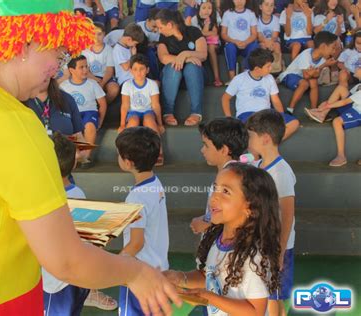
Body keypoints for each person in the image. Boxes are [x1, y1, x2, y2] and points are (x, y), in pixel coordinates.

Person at [0, 1, 181, 315]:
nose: (58, 67)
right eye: (58, 53)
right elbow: (66, 261)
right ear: (27, 41)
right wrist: (135, 272)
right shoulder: (10, 120)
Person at [164, 163, 282, 316]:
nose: (214, 196)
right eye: (215, 188)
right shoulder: (216, 240)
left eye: (225, 191)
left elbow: (255, 311)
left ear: (250, 208)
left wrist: (209, 297)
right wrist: (181, 277)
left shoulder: (253, 256)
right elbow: (209, 276)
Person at [43, 132, 117, 314]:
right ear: (74, 163)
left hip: (55, 282)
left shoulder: (46, 199)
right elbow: (92, 239)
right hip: (78, 278)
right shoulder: (79, 194)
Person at [115, 126, 170, 315]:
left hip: (139, 275)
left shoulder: (136, 197)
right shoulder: (155, 182)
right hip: (158, 269)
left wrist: (116, 262)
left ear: (128, 163)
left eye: (118, 155)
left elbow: (137, 242)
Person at [246, 110, 296, 316]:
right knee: (263, 294)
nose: (248, 140)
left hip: (276, 246)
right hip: (260, 243)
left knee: (274, 298)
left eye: (251, 136)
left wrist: (280, 252)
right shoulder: (257, 165)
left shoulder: (281, 172)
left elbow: (287, 215)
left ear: (265, 138)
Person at [222, 48, 300, 140]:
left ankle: (271, 144)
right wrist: (229, 119)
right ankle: (263, 148)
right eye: (268, 66)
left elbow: (275, 100)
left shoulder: (270, 78)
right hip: (247, 115)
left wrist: (280, 118)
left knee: (294, 123)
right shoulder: (239, 79)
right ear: (257, 69)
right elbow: (225, 98)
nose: (271, 69)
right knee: (256, 132)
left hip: (267, 114)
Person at [190, 118, 249, 237]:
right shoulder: (234, 172)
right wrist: (204, 218)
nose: (202, 150)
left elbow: (232, 214)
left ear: (223, 150)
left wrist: (205, 223)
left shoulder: (233, 179)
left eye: (206, 145)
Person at [156, 9, 207, 126]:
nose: (159, 30)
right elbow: (163, 57)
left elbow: (203, 54)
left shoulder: (193, 31)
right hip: (172, 77)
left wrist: (185, 54)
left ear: (169, 25)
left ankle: (196, 112)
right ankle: (168, 112)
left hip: (195, 76)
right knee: (173, 67)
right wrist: (186, 57)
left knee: (192, 67)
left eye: (160, 27)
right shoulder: (163, 37)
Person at [304, 68, 361, 167]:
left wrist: (327, 106)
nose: (356, 68)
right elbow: (346, 98)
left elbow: (344, 102)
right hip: (354, 107)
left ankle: (341, 156)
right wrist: (326, 104)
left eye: (359, 67)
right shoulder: (358, 86)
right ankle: (322, 114)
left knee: (337, 121)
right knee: (341, 88)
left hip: (358, 113)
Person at [60, 55, 107, 167]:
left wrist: (100, 120)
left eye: (86, 66)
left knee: (90, 126)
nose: (85, 70)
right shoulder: (63, 86)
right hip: (72, 114)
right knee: (73, 127)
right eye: (81, 67)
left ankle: (86, 157)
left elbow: (103, 103)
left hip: (89, 112)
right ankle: (78, 156)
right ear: (71, 70)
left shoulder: (92, 84)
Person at [119, 54, 165, 164]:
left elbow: (155, 105)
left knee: (149, 120)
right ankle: (126, 153)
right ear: (131, 71)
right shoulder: (127, 85)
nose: (138, 72)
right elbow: (125, 105)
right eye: (135, 69)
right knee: (133, 121)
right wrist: (121, 124)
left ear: (147, 70)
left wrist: (159, 123)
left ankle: (159, 152)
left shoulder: (152, 84)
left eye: (141, 69)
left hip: (148, 111)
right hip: (133, 112)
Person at [278, 31, 338, 113]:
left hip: (303, 78)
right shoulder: (307, 54)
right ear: (323, 46)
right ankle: (290, 109)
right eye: (333, 48)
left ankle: (313, 110)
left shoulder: (323, 59)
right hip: (289, 76)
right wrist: (323, 66)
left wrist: (319, 68)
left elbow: (316, 75)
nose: (334, 51)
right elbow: (306, 75)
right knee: (305, 83)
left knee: (313, 81)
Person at [221, 0, 259, 82]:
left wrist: (245, 42)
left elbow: (254, 34)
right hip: (233, 44)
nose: (239, 1)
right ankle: (232, 78)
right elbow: (223, 34)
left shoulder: (251, 13)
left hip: (247, 44)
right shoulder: (227, 14)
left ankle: (246, 75)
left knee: (254, 45)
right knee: (229, 47)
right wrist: (235, 41)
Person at [82, 22, 120, 105]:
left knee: (114, 89)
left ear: (104, 34)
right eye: (93, 34)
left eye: (99, 34)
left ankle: (103, 106)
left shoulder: (108, 49)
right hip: (91, 76)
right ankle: (93, 106)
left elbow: (110, 70)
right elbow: (85, 70)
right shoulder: (85, 50)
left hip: (106, 76)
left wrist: (102, 83)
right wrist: (96, 80)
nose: (96, 37)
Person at [192, 1, 223, 87]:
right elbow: (197, 34)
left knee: (211, 47)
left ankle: (217, 77)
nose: (207, 11)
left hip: (214, 43)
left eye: (209, 8)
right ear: (199, 8)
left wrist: (204, 30)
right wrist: (206, 26)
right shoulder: (194, 19)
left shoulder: (214, 16)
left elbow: (215, 33)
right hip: (200, 44)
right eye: (204, 8)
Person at [258, 0, 283, 73]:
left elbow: (275, 36)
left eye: (271, 5)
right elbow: (260, 36)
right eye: (266, 5)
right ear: (260, 7)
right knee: (262, 46)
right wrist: (267, 43)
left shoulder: (276, 20)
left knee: (276, 46)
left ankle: (277, 69)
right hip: (263, 41)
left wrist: (270, 43)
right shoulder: (257, 20)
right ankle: (264, 68)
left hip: (274, 41)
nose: (269, 7)